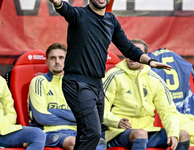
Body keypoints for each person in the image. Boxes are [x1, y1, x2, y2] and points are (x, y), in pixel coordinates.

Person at [48, 1, 172, 149]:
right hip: (77, 82)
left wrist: (150, 61)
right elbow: (65, 9)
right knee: (92, 133)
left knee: (90, 133)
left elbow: (128, 48)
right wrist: (57, 2)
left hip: (97, 84)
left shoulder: (111, 20)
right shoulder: (80, 15)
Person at [102, 39, 190, 150]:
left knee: (183, 135)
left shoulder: (155, 79)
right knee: (140, 134)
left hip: (148, 131)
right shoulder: (113, 76)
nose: (131, 56)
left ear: (145, 56)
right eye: (129, 52)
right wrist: (116, 121)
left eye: (136, 52)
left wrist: (173, 132)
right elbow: (98, 109)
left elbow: (168, 111)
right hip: (118, 132)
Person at [28, 43, 106, 150]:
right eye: (52, 58)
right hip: (49, 132)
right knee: (74, 143)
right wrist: (78, 118)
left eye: (61, 58)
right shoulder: (39, 82)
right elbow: (41, 117)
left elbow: (92, 116)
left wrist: (53, 111)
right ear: (46, 61)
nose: (57, 62)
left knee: (99, 143)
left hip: (77, 131)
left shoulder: (79, 83)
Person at [0, 76, 46, 150]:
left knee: (38, 134)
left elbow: (11, 112)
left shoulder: (1, 81)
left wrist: (2, 124)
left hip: (3, 131)